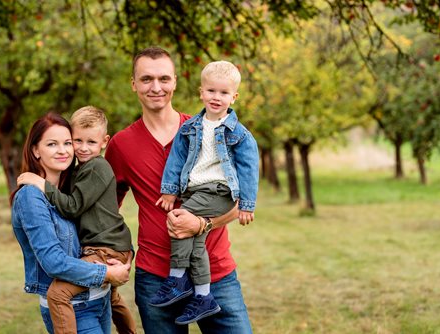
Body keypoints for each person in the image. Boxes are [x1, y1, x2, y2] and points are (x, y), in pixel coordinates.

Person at [105, 46, 254, 333]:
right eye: (146, 79)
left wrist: (202, 223)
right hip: (156, 277)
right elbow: (106, 209)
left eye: (164, 78)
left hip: (216, 271)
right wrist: (110, 254)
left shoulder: (211, 131)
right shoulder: (122, 145)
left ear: (175, 82)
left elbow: (240, 199)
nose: (156, 87)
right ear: (134, 84)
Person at [149, 60, 259, 325]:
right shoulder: (189, 128)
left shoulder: (240, 135)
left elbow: (249, 168)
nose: (216, 97)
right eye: (211, 91)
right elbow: (175, 160)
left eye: (223, 93)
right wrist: (169, 191)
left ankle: (177, 278)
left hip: (220, 192)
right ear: (201, 92)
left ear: (234, 97)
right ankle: (203, 295)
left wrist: (247, 204)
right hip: (196, 190)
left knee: (179, 219)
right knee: (195, 239)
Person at [16, 107, 136, 334]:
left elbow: (77, 209)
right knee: (57, 293)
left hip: (98, 289)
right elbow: (53, 261)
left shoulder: (93, 169)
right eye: (53, 144)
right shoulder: (33, 196)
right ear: (36, 150)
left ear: (103, 142)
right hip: (79, 308)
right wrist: (109, 272)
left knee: (112, 296)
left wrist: (124, 255)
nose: (78, 148)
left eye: (66, 143)